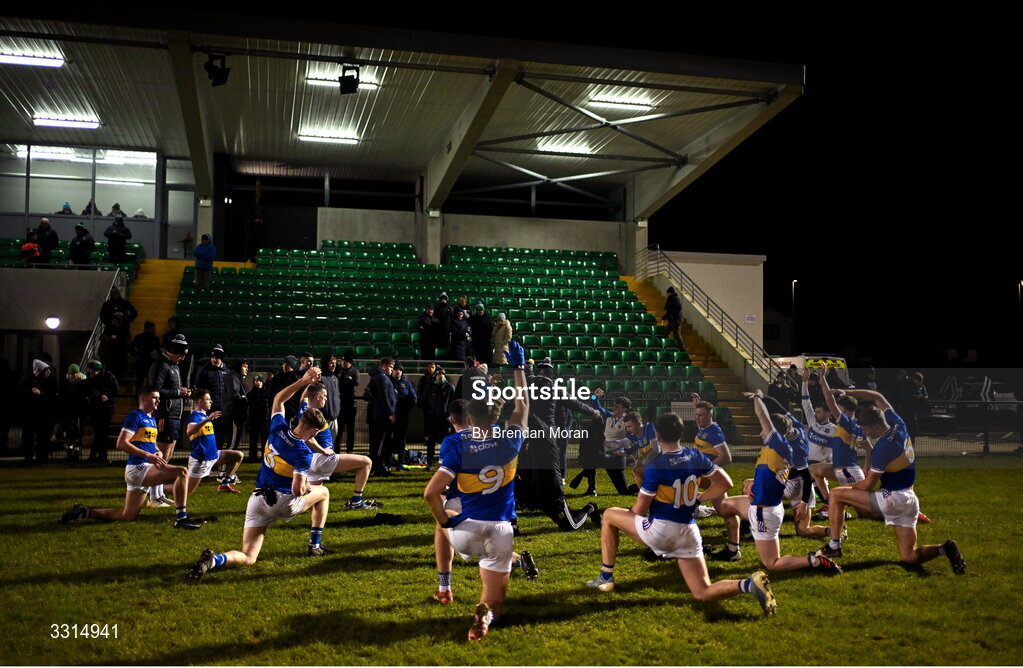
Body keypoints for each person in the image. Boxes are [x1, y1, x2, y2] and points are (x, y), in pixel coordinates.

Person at [583, 412, 778, 616]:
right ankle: (749, 585)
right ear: (681, 433)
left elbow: (639, 510)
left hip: (662, 532)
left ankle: (606, 577)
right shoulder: (695, 455)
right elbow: (726, 483)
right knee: (703, 591)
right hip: (690, 532)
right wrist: (699, 498)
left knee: (610, 515)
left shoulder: (657, 466)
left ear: (657, 435)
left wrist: (639, 513)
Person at [423, 340, 529, 641]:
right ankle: (484, 615)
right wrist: (518, 369)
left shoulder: (456, 443)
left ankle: (444, 587)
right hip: (500, 528)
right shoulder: (511, 439)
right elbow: (523, 406)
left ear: (468, 419)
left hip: (466, 530)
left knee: (443, 516)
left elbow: (431, 493)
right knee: (495, 600)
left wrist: (445, 521)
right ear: (496, 417)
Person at [189, 367, 334, 579]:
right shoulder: (303, 452)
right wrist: (309, 487)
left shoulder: (278, 428)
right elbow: (297, 489)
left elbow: (278, 399)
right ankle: (315, 545)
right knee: (324, 493)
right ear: (313, 431)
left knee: (249, 556)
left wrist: (302, 381)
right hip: (282, 502)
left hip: (257, 498)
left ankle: (213, 561)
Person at [816, 388, 965, 575]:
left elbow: (868, 485)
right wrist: (846, 391)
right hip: (910, 500)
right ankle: (945, 549)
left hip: (893, 499)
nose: (864, 432)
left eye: (866, 429)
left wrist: (848, 487)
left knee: (837, 495)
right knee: (909, 557)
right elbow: (878, 397)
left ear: (877, 427)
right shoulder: (898, 425)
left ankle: (834, 546)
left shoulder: (883, 448)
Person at [713, 391, 842, 575]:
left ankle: (814, 560)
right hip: (773, 501)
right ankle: (733, 549)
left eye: (764, 430)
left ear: (773, 432)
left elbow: (763, 415)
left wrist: (758, 398)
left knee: (772, 563)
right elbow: (773, 412)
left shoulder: (779, 445)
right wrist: (753, 485)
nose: (760, 433)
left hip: (765, 510)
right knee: (726, 505)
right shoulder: (786, 436)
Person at [60, 387, 202, 529]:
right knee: (182, 471)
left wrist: (157, 452)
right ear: (143, 398)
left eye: (159, 397)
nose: (158, 400)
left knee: (126, 516)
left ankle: (85, 512)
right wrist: (148, 455)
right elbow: (121, 443)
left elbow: (151, 444)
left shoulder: (151, 419)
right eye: (154, 397)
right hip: (139, 468)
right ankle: (182, 518)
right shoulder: (135, 416)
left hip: (141, 469)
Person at [517, 358, 601, 531]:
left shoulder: (529, 384)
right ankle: (535, 500)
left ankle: (584, 507)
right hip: (546, 436)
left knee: (529, 467)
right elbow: (575, 403)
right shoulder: (554, 387)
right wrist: (593, 411)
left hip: (530, 436)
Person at [299, 382, 379, 510]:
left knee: (315, 499)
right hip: (321, 459)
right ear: (316, 397)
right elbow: (308, 438)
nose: (326, 399)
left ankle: (287, 506)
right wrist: (323, 451)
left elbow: (304, 397)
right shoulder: (312, 414)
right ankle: (356, 502)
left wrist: (310, 380)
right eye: (324, 396)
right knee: (366, 462)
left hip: (310, 460)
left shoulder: (303, 409)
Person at [147, 334, 192, 507]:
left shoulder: (173, 366)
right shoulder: (160, 365)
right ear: (172, 351)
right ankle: (153, 497)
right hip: (164, 415)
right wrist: (178, 393)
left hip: (173, 414)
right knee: (161, 456)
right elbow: (156, 390)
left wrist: (182, 392)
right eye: (181, 354)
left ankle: (159, 494)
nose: (183, 357)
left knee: (168, 455)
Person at [185, 388, 244, 495]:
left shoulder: (204, 416)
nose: (211, 401)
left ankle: (224, 484)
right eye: (208, 399)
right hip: (201, 460)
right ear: (199, 401)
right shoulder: (195, 416)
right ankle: (157, 492)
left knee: (238, 455)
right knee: (187, 491)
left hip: (214, 456)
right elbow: (189, 431)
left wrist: (208, 418)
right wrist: (208, 419)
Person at [365, 357, 397, 475]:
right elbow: (384, 397)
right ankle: (378, 468)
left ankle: (375, 467)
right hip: (381, 417)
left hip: (378, 416)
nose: (391, 370)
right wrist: (390, 413)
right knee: (380, 443)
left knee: (377, 443)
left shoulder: (378, 377)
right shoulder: (382, 378)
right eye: (391, 367)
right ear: (384, 366)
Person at [193, 345, 230, 449]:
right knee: (208, 434)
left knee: (221, 435)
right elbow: (198, 389)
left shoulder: (227, 372)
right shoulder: (204, 371)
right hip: (209, 410)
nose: (214, 359)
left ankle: (218, 458)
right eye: (212, 357)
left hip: (222, 409)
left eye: (217, 357)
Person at [420, 365, 456, 470]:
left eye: (442, 374)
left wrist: (449, 415)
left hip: (445, 419)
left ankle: (445, 463)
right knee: (431, 442)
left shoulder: (449, 387)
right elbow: (425, 401)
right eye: (438, 374)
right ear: (435, 375)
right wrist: (429, 413)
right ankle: (429, 463)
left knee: (445, 442)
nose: (440, 376)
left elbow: (453, 403)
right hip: (432, 419)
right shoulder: (430, 387)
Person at [19, 359, 55, 462]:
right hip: (30, 412)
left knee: (42, 435)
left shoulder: (50, 378)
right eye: (46, 371)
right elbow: (20, 392)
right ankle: (29, 456)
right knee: (29, 435)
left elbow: (51, 395)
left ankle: (42, 456)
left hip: (42, 412)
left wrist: (40, 394)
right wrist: (30, 391)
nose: (49, 372)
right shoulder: (28, 378)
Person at [83, 360, 119, 463]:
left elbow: (115, 389)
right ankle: (98, 456)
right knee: (99, 433)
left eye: (94, 370)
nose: (91, 372)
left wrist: (106, 395)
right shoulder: (93, 377)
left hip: (106, 408)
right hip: (96, 408)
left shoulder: (107, 376)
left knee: (102, 433)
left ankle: (98, 456)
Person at [388, 362, 417, 470]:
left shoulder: (406, 383)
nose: (398, 371)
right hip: (390, 417)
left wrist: (405, 408)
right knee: (389, 440)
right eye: (396, 369)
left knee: (401, 441)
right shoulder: (388, 381)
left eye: (400, 369)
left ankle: (399, 463)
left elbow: (413, 399)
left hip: (402, 417)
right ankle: (387, 463)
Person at [222, 358, 249, 453]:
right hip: (233, 415)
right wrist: (244, 398)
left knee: (233, 444)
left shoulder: (235, 377)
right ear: (238, 367)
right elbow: (234, 395)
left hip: (234, 415)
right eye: (244, 366)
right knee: (232, 446)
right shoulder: (233, 377)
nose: (247, 369)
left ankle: (226, 467)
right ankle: (225, 467)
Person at [128, 322, 161, 394]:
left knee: (146, 381)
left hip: (148, 362)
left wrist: (136, 354)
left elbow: (158, 350)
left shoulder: (154, 338)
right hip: (144, 362)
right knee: (141, 381)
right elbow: (130, 347)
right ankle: (140, 397)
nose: (152, 329)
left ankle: (143, 397)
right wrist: (136, 354)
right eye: (151, 328)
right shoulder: (142, 337)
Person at [337, 351, 359, 453]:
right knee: (339, 429)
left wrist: (347, 378)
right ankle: (337, 448)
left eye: (345, 361)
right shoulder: (339, 370)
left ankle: (350, 450)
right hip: (340, 404)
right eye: (342, 361)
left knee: (351, 429)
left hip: (351, 404)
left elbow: (356, 382)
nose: (343, 363)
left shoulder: (354, 371)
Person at [246, 375, 270, 460]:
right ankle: (252, 457)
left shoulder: (267, 394)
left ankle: (265, 457)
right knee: (253, 441)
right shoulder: (250, 395)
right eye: (256, 381)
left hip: (265, 421)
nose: (258, 382)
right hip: (254, 421)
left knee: (265, 441)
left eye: (259, 381)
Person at [318, 353, 341, 438]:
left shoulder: (335, 378)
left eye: (335, 363)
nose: (334, 365)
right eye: (331, 363)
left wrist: (336, 412)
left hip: (334, 418)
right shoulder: (320, 378)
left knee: (332, 445)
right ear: (325, 363)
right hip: (322, 419)